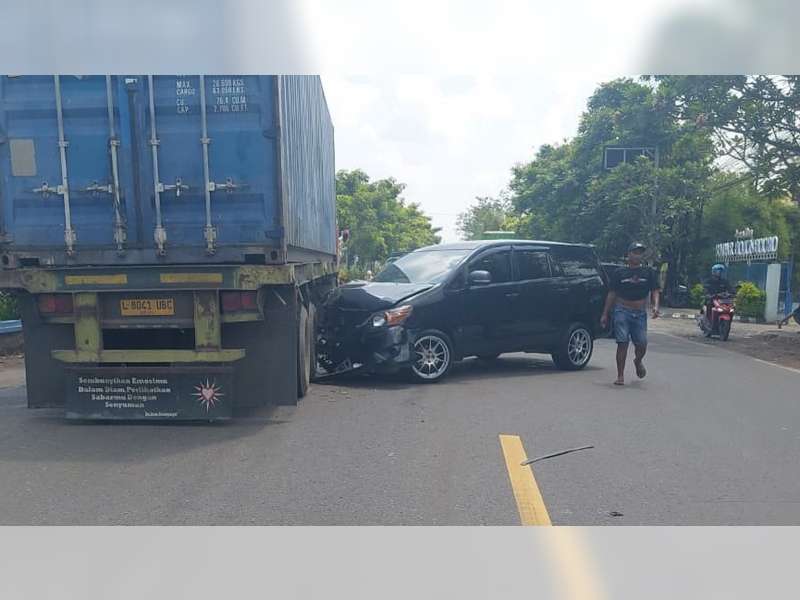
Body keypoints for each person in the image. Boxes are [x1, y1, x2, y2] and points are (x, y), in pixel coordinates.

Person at [600, 242, 661, 386]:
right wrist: (605, 313)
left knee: (642, 343)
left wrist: (656, 306)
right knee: (622, 343)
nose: (637, 255)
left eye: (640, 253)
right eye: (634, 252)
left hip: (639, 313)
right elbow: (612, 293)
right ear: (628, 255)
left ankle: (638, 360)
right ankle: (620, 376)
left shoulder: (649, 272)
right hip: (622, 310)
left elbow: (655, 291)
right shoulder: (619, 273)